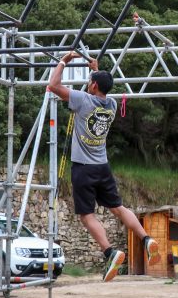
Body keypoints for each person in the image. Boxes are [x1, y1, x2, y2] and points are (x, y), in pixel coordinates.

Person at [48, 51, 160, 282]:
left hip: (83, 167)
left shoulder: (82, 100)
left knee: (86, 215)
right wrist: (95, 69)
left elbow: (53, 85)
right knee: (118, 207)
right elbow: (98, 86)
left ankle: (110, 251)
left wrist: (63, 61)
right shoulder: (111, 103)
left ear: (94, 84)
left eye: (91, 81)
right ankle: (146, 238)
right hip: (102, 166)